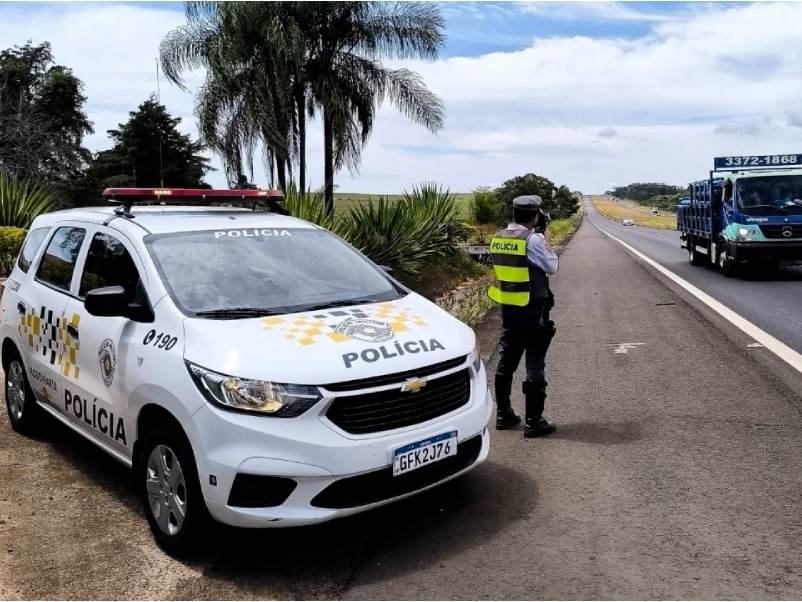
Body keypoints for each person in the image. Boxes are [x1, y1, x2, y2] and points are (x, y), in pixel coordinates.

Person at [488, 195, 559, 437]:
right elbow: (552, 266)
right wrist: (544, 236)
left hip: (509, 308)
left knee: (506, 360)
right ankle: (533, 420)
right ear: (535, 216)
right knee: (535, 361)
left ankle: (504, 413)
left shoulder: (498, 238)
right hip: (532, 308)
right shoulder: (534, 239)